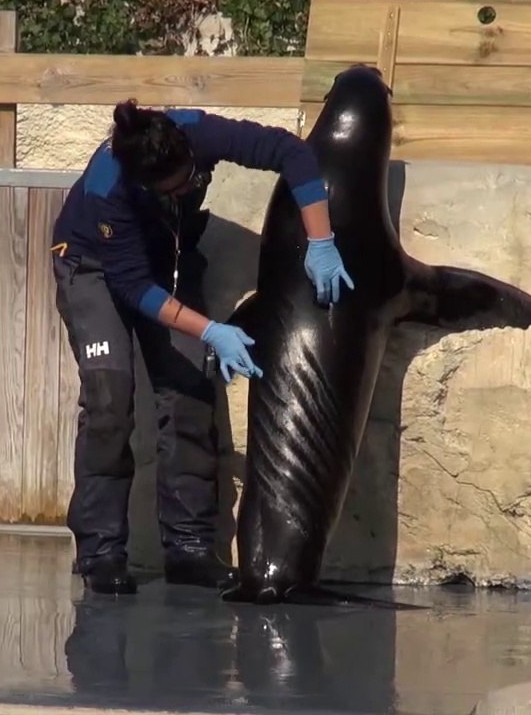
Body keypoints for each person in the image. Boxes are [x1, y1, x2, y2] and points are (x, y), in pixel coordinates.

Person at [50, 99, 355, 595]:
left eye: (192, 178)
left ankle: (190, 547)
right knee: (109, 403)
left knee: (190, 388)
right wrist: (210, 329)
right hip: (94, 270)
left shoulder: (195, 131)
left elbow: (292, 153)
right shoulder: (110, 186)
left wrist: (322, 241)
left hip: (168, 258)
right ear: (146, 185)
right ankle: (101, 551)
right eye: (175, 189)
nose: (190, 188)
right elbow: (130, 287)